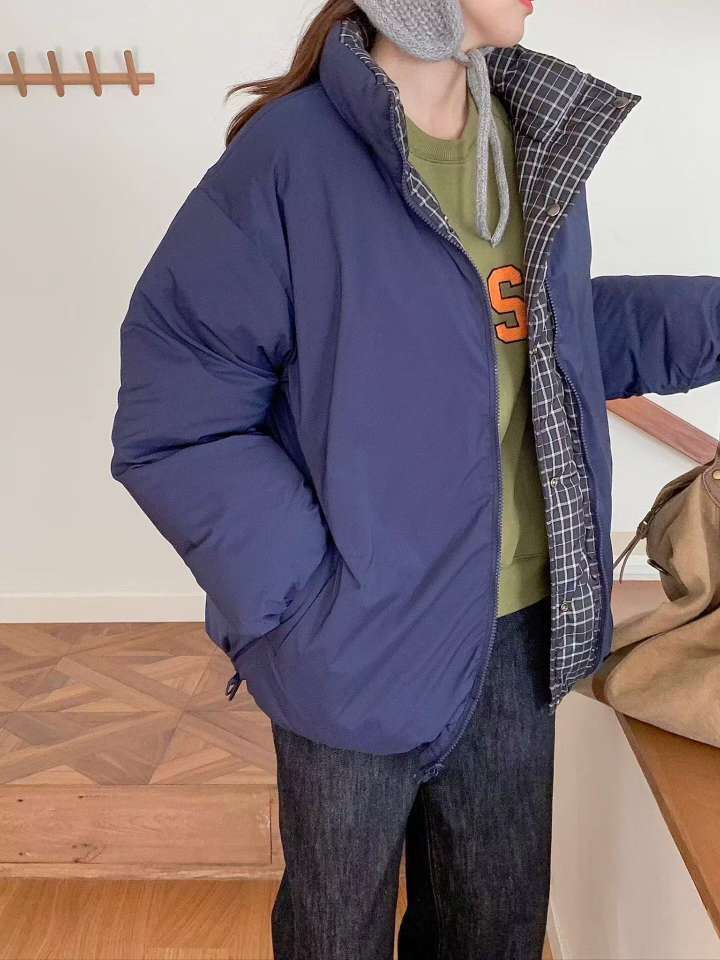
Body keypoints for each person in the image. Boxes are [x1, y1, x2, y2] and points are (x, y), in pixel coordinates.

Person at [110, 0, 720, 956]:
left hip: (519, 633)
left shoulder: (527, 141)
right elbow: (180, 416)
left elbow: (549, 334)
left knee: (493, 932)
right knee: (335, 936)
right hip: (352, 645)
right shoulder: (287, 162)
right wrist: (307, 604)